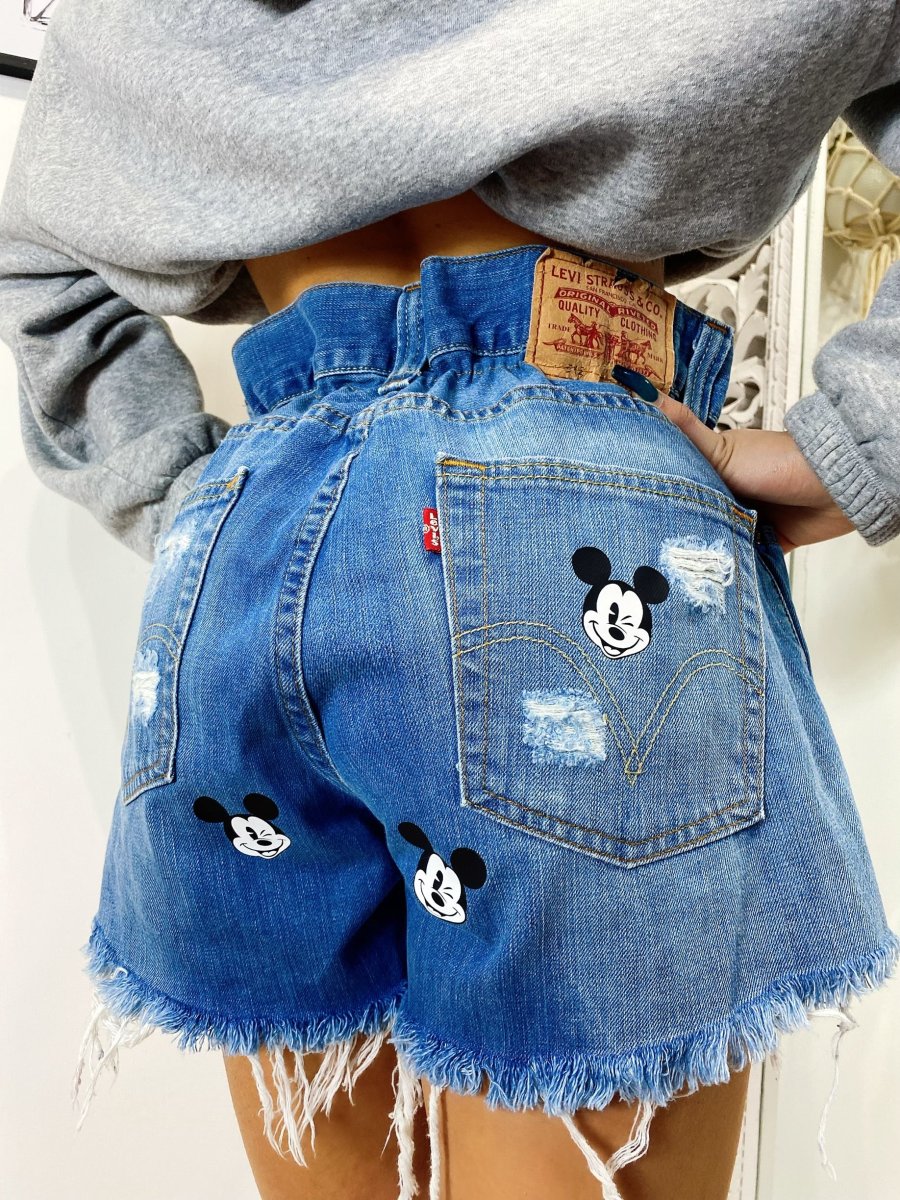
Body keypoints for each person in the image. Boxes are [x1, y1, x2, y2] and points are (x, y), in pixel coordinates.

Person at [2, 5, 900, 1199]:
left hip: (257, 541)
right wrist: (858, 446)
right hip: (579, 502)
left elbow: (36, 250)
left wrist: (188, 500)